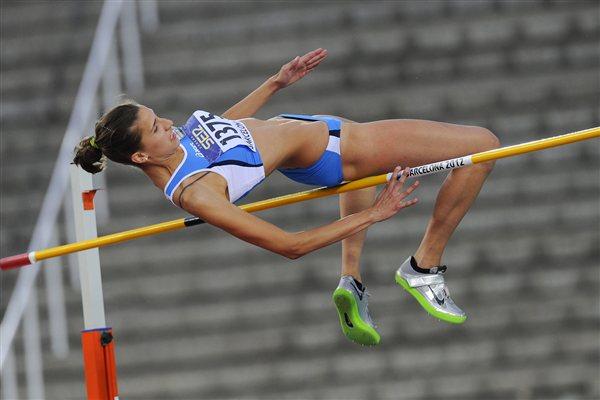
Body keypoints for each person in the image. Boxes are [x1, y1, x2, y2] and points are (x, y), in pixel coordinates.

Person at [74, 48, 500, 346]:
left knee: (383, 167)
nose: (167, 122)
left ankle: (351, 278)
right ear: (142, 155)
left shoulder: (173, 148)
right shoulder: (197, 194)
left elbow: (223, 130)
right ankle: (423, 266)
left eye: (156, 115)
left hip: (310, 129)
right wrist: (375, 213)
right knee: (482, 147)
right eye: (155, 126)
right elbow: (289, 246)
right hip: (339, 148)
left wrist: (275, 83)